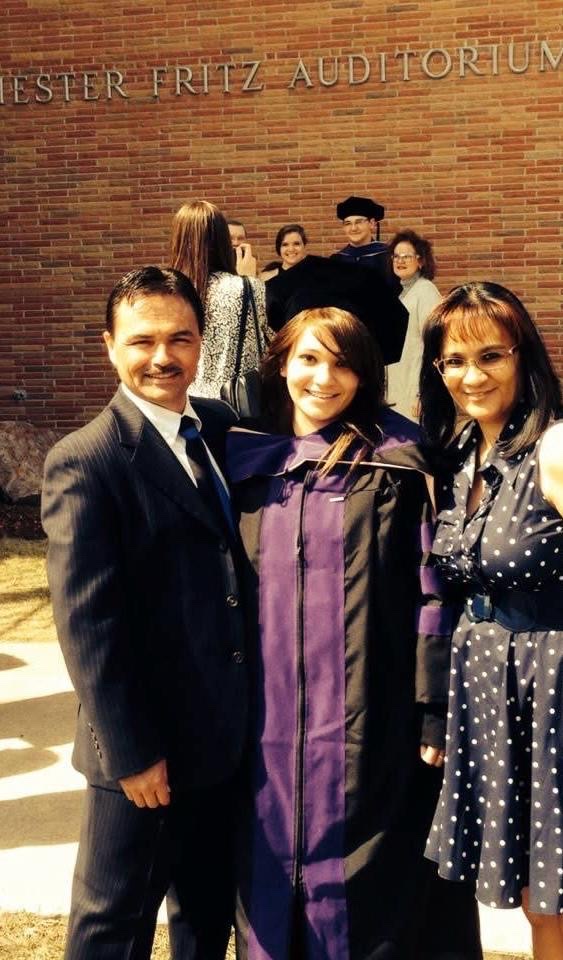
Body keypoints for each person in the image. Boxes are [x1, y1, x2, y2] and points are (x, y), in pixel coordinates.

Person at [226, 304, 482, 959]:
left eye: (342, 363)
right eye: (308, 358)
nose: (323, 377)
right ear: (280, 362)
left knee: (376, 905)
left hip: (371, 728)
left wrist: (433, 711)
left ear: (365, 373)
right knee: (267, 881)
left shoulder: (398, 462)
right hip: (265, 732)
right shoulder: (245, 461)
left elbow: (433, 591)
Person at [41, 266, 247, 960]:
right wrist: (133, 753)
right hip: (142, 756)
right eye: (142, 340)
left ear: (201, 343)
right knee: (113, 926)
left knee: (206, 916)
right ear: (109, 346)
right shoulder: (87, 461)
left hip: (224, 741)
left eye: (180, 338)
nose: (163, 356)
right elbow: (89, 626)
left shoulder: (220, 427)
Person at [419, 282, 563, 960]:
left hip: (552, 683)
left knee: (554, 894)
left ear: (522, 357)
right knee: (540, 892)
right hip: (487, 681)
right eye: (453, 360)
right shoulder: (461, 460)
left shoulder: (554, 449)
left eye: (489, 355)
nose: (470, 375)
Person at [171, 199, 268, 398]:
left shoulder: (171, 291)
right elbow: (267, 341)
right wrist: (248, 280)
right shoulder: (245, 287)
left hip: (185, 402)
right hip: (235, 403)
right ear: (222, 240)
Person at [386, 229, 441, 420]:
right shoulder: (401, 294)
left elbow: (434, 345)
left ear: (421, 260)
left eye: (406, 256)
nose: (399, 261)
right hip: (398, 394)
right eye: (396, 256)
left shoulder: (426, 291)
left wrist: (423, 393)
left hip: (415, 395)